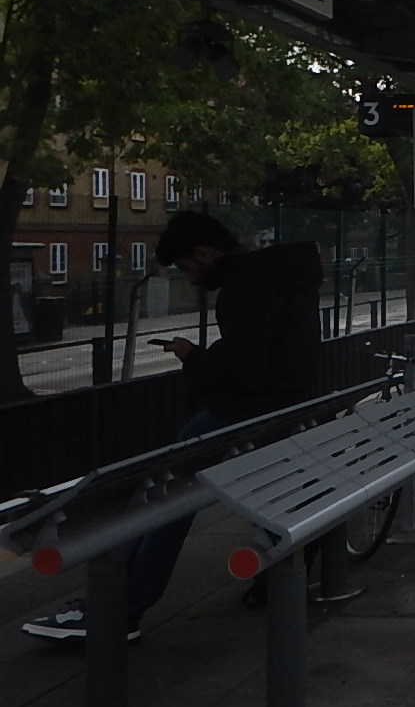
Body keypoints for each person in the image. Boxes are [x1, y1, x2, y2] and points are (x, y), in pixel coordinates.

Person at [22, 212, 322, 642]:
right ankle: (125, 603)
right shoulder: (286, 276)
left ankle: (117, 609)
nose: (190, 278)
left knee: (159, 496)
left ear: (205, 253)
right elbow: (271, 354)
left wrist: (194, 358)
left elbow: (247, 371)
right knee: (168, 493)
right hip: (289, 413)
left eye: (187, 267)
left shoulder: (243, 289)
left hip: (242, 418)